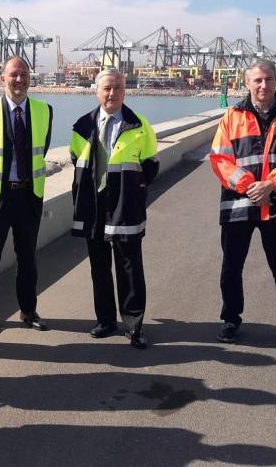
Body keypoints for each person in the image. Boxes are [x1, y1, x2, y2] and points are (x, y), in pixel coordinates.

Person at [209, 58, 276, 353]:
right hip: (237, 205)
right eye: (257, 80)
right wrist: (249, 186)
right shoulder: (232, 116)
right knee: (231, 267)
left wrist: (271, 184)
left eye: (269, 79)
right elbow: (220, 159)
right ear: (247, 83)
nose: (263, 85)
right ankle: (231, 320)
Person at [69, 69, 159, 349]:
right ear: (97, 91)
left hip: (125, 205)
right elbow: (77, 161)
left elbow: (150, 166)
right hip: (93, 205)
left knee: (130, 266)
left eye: (118, 88)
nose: (112, 94)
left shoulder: (139, 125)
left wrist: (131, 191)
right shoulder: (82, 126)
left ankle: (134, 324)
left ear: (125, 91)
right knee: (99, 267)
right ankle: (105, 320)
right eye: (106, 88)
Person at [0, 56, 52, 335]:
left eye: (24, 74)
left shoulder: (44, 110)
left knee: (28, 259)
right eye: (13, 74)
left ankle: (29, 310)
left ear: (30, 77)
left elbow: (42, 149)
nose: (19, 79)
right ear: (2, 78)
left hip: (28, 196)